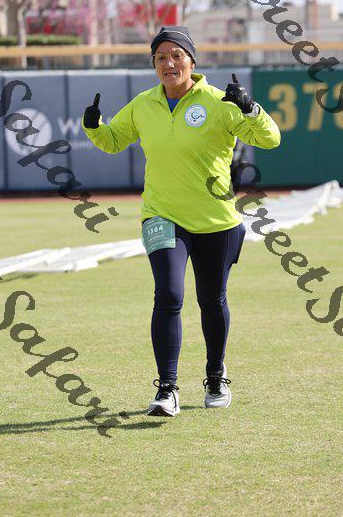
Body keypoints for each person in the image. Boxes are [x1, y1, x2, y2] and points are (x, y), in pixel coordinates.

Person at [82, 26, 280, 417]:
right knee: (169, 295)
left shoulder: (220, 102)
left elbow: (270, 139)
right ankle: (167, 388)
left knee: (212, 300)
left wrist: (250, 109)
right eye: (160, 57)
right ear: (154, 64)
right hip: (162, 216)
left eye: (176, 55)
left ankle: (215, 375)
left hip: (216, 221)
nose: (168, 63)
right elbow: (112, 141)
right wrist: (93, 126)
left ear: (191, 60)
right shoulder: (143, 104)